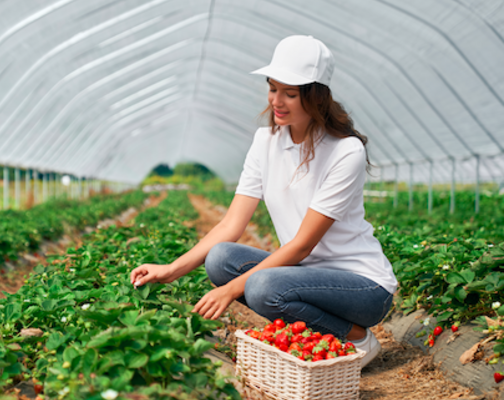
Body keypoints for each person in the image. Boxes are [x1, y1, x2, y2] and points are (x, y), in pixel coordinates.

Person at [129, 35, 398, 368]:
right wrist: (172, 269)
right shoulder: (265, 142)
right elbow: (231, 224)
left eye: (290, 93)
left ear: (315, 96)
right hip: (304, 274)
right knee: (220, 258)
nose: (277, 101)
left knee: (262, 286)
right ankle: (316, 334)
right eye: (273, 88)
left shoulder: (345, 151)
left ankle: (355, 337)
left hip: (361, 286)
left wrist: (231, 291)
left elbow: (301, 246)